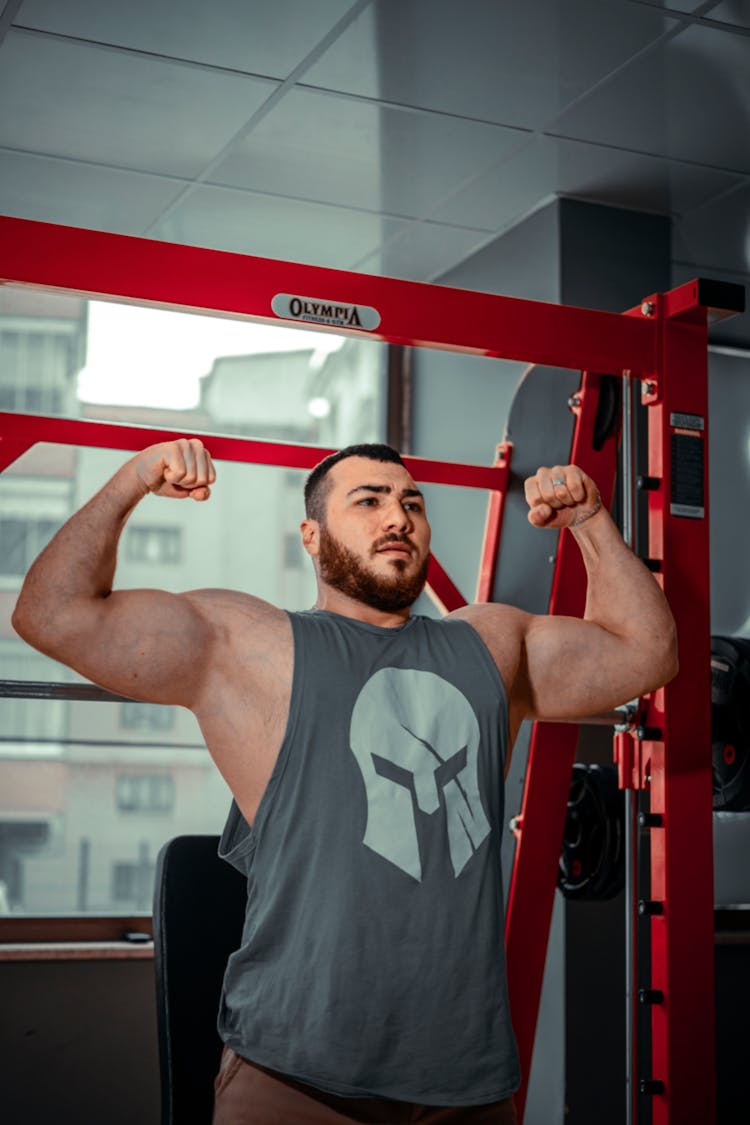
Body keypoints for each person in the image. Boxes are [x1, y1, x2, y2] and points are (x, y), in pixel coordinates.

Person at [12, 438, 677, 1124]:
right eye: (369, 500)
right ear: (312, 534)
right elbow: (50, 614)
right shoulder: (249, 644)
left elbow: (648, 651)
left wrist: (591, 519)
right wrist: (132, 480)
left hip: (468, 1088)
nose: (399, 516)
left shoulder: (490, 644)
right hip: (297, 1083)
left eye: (411, 502)